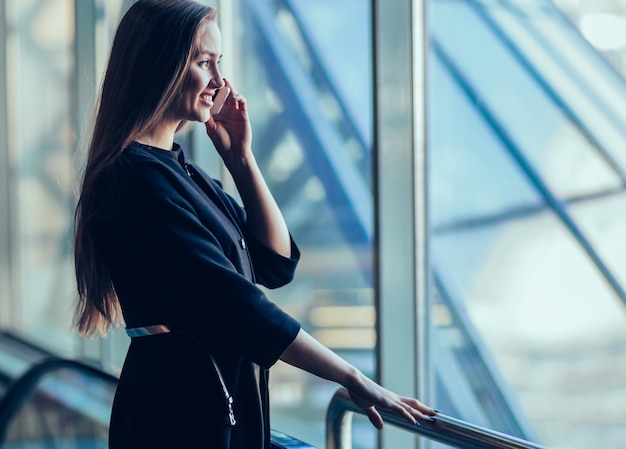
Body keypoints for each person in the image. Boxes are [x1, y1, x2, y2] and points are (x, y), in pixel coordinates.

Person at [73, 0, 437, 447]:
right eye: (203, 62)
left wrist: (242, 160)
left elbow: (274, 263)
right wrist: (353, 377)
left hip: (204, 405)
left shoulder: (179, 172)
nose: (220, 82)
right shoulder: (135, 181)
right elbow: (237, 305)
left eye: (219, 62)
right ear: (159, 65)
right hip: (180, 416)